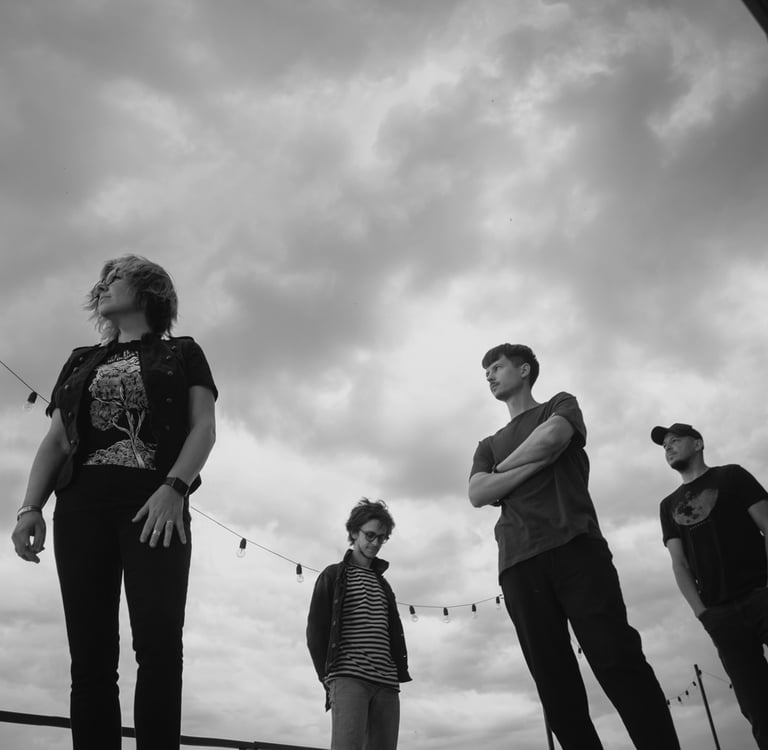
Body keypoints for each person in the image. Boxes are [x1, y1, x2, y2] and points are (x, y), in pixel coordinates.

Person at [10, 255, 217, 750]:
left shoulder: (183, 353)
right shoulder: (82, 360)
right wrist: (29, 507)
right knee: (91, 657)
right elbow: (57, 441)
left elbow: (204, 428)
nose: (103, 286)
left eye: (115, 278)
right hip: (81, 511)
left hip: (156, 510)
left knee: (160, 646)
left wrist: (175, 488)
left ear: (148, 291)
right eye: (101, 281)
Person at [468, 343, 679, 750]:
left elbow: (553, 438)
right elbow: (478, 492)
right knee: (553, 681)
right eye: (486, 373)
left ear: (524, 369)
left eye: (496, 367)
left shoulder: (559, 404)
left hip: (577, 548)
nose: (490, 377)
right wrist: (529, 462)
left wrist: (504, 471)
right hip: (517, 563)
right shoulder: (487, 444)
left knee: (618, 660)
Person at [653, 422, 768, 749]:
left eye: (675, 441)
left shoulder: (731, 476)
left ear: (699, 443)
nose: (669, 448)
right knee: (757, 706)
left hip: (761, 594)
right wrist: (703, 614)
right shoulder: (667, 505)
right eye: (664, 446)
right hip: (721, 614)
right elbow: (679, 563)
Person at [306, 498, 411, 750]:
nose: (375, 543)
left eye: (382, 538)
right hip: (348, 678)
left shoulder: (383, 585)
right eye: (370, 535)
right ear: (354, 532)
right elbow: (315, 632)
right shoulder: (332, 575)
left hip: (387, 683)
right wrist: (327, 679)